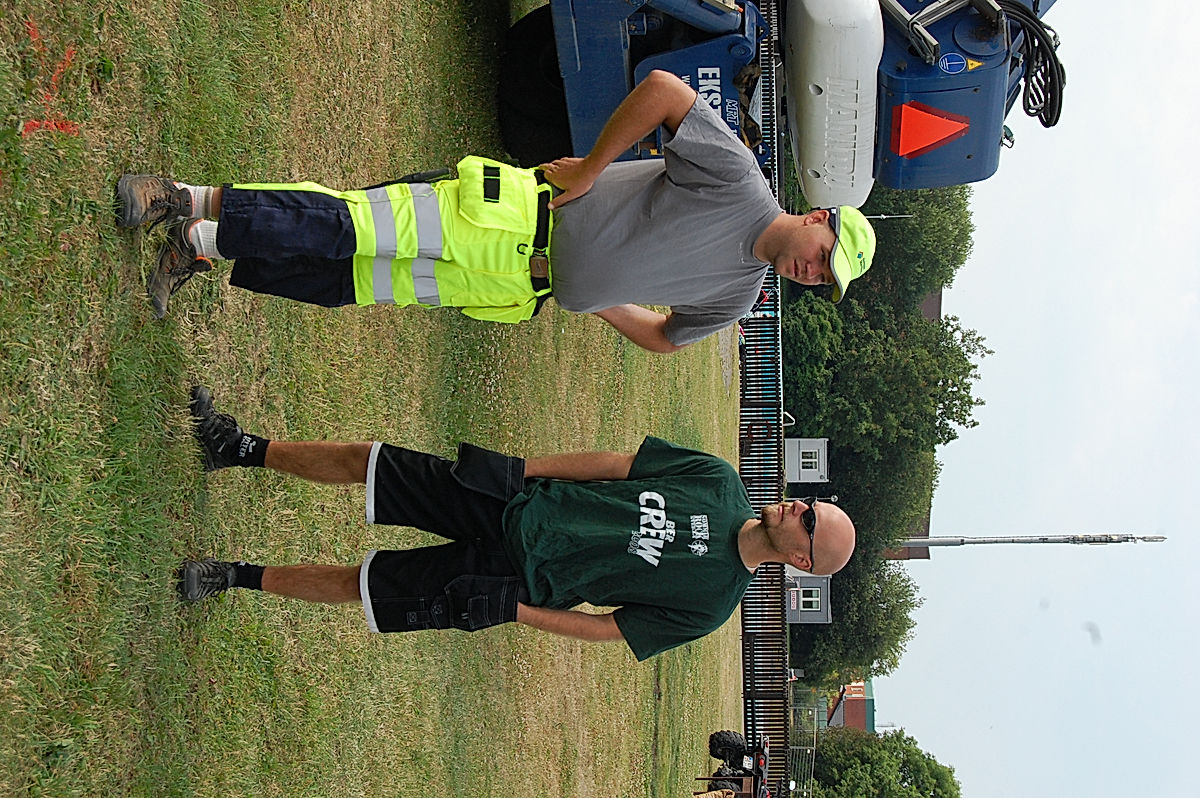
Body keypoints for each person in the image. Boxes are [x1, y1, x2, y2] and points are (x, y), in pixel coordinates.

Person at [117, 70, 876, 352]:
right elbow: (666, 93)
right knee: (346, 224)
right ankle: (182, 198)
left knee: (342, 281)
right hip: (513, 219)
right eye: (823, 256)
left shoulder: (739, 295)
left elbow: (666, 338)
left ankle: (202, 246)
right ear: (816, 218)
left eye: (822, 281)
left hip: (511, 292)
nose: (812, 273)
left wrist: (599, 296)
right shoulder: (739, 178)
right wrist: (593, 168)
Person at [178, 386, 856, 661]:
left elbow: (604, 628)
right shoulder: (718, 480)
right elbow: (618, 467)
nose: (797, 507)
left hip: (514, 578)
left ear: (799, 561)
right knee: (374, 461)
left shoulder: (710, 606)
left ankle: (232, 577)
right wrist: (523, 468)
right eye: (809, 503)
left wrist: (516, 610)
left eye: (808, 523)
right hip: (514, 504)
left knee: (366, 585)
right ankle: (236, 448)